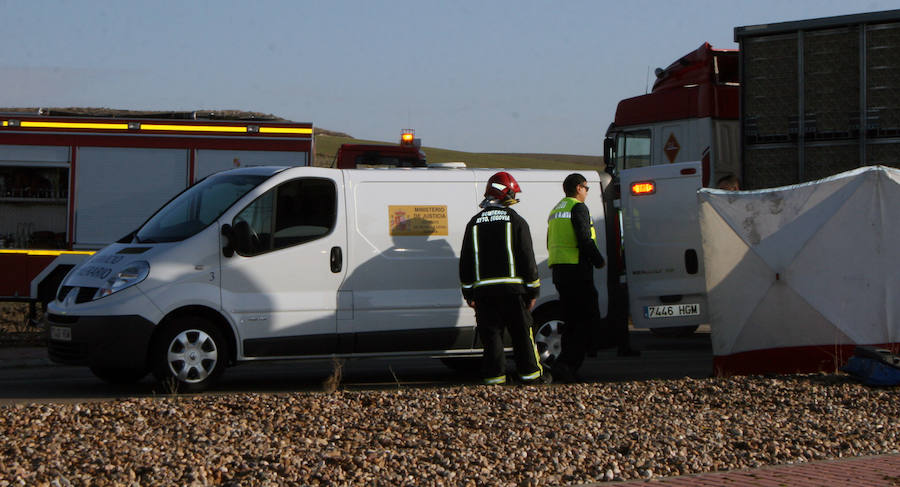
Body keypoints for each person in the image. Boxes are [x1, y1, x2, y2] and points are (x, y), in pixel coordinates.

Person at [459, 171, 548, 385]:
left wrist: (468, 293)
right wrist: (533, 290)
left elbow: (466, 261)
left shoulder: (474, 223)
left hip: (484, 294)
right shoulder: (516, 221)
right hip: (513, 293)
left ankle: (494, 380)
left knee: (491, 339)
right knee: (522, 336)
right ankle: (531, 377)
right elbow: (527, 258)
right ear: (505, 193)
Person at [547, 173, 637, 383]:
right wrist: (599, 261)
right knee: (585, 321)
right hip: (578, 271)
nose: (587, 192)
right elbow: (584, 239)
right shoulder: (577, 208)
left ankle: (566, 365)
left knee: (571, 321)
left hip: (560, 272)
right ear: (578, 188)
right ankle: (568, 364)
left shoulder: (556, 210)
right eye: (586, 188)